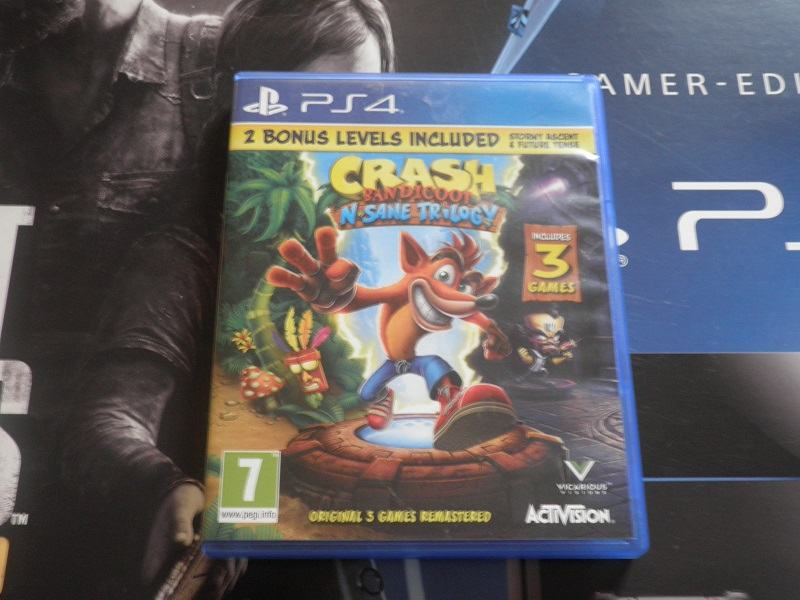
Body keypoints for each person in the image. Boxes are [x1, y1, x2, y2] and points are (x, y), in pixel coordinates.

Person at [0, 0, 394, 596]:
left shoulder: (403, 242)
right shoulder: (191, 249)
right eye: (308, 105)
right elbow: (107, 418)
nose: (345, 131)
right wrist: (168, 488)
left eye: (371, 102)